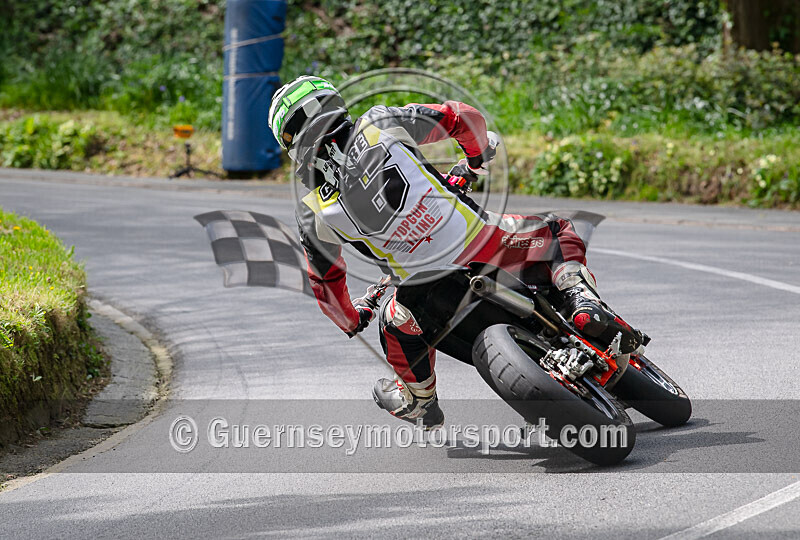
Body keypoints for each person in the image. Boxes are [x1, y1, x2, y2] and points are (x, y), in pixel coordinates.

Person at [268, 76, 641, 428]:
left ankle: (420, 399)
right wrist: (477, 157)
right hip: (488, 244)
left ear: (291, 144)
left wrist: (352, 320)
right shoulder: (380, 122)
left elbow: (326, 286)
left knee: (393, 323)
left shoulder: (311, 211)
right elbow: (462, 118)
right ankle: (581, 302)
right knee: (557, 231)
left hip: (422, 293)